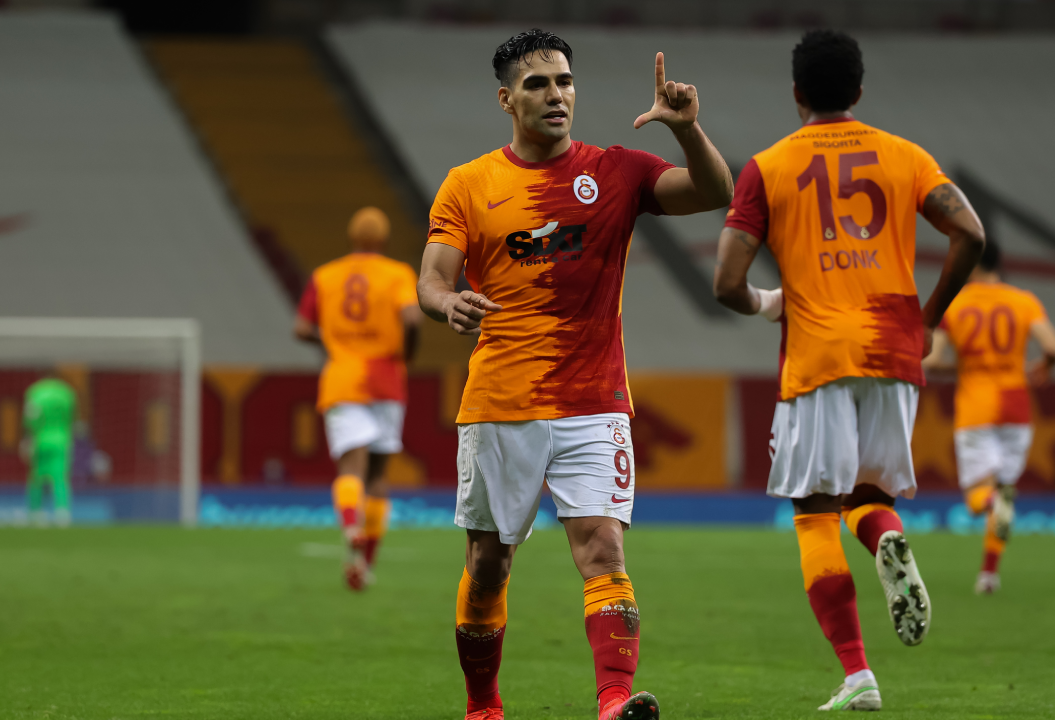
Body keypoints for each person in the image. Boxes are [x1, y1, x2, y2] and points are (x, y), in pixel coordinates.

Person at [417, 28, 732, 720]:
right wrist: (447, 304)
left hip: (595, 402)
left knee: (603, 547)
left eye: (564, 81)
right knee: (489, 564)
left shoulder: (616, 170)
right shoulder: (469, 185)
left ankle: (614, 702)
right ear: (506, 99)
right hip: (501, 402)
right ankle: (483, 705)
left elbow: (714, 191)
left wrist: (688, 131)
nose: (556, 94)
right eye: (537, 84)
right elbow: (432, 280)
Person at [713, 29, 986, 711]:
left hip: (817, 354)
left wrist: (762, 302)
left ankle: (858, 673)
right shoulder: (905, 156)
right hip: (894, 350)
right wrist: (928, 318)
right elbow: (971, 234)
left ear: (797, 93)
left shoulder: (769, 166)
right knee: (870, 496)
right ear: (858, 92)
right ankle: (888, 540)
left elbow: (725, 282)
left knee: (813, 514)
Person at [923, 237, 1055, 594]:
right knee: (1005, 493)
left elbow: (934, 360)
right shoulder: (1024, 300)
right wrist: (1043, 366)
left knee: (978, 497)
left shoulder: (956, 303)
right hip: (1017, 405)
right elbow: (1053, 347)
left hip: (976, 407)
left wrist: (966, 368)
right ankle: (988, 575)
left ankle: (990, 505)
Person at [295, 206, 422, 591]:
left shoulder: (325, 275)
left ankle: (350, 526)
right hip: (387, 378)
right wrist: (407, 356)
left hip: (343, 378)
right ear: (382, 240)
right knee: (379, 475)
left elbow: (301, 328)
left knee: (351, 468)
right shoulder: (398, 273)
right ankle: (366, 563)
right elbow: (413, 319)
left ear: (352, 237)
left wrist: (332, 342)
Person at [22, 375, 77, 526]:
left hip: (40, 440)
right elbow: (70, 418)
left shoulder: (35, 393)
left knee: (36, 478)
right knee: (60, 478)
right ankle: (62, 513)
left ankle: (35, 513)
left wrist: (28, 438)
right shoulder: (66, 393)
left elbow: (29, 418)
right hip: (61, 440)